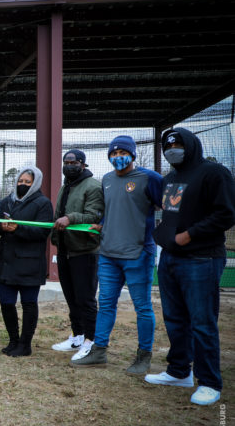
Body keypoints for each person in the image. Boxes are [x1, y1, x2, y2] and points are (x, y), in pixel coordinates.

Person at [144, 128, 235, 406]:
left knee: (202, 322)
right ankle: (179, 371)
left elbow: (226, 213)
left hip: (201, 258)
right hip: (171, 257)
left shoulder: (214, 173)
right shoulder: (170, 177)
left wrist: (190, 234)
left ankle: (209, 381)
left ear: (191, 145)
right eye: (168, 145)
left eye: (178, 143)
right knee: (174, 318)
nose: (172, 148)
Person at [72, 136, 162, 371]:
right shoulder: (108, 179)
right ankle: (99, 351)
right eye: (113, 153)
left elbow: (171, 206)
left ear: (132, 154)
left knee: (142, 307)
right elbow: (111, 209)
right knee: (106, 303)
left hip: (138, 253)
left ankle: (144, 357)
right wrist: (101, 224)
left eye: (122, 152)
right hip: (108, 254)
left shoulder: (149, 178)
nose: (117, 157)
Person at [0, 166, 53, 357]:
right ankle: (13, 340)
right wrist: (1, 227)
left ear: (35, 184)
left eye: (27, 182)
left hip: (30, 263)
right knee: (6, 303)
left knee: (28, 304)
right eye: (20, 181)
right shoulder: (7, 202)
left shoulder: (43, 203)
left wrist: (17, 229)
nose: (23, 185)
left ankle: (25, 344)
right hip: (7, 262)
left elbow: (43, 232)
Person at [49, 149, 104, 360]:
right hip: (65, 250)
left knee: (86, 299)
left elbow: (94, 215)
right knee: (71, 298)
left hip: (85, 252)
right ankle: (77, 335)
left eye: (73, 162)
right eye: (66, 161)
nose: (68, 165)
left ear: (83, 164)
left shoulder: (93, 186)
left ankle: (91, 340)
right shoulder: (67, 186)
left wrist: (70, 218)